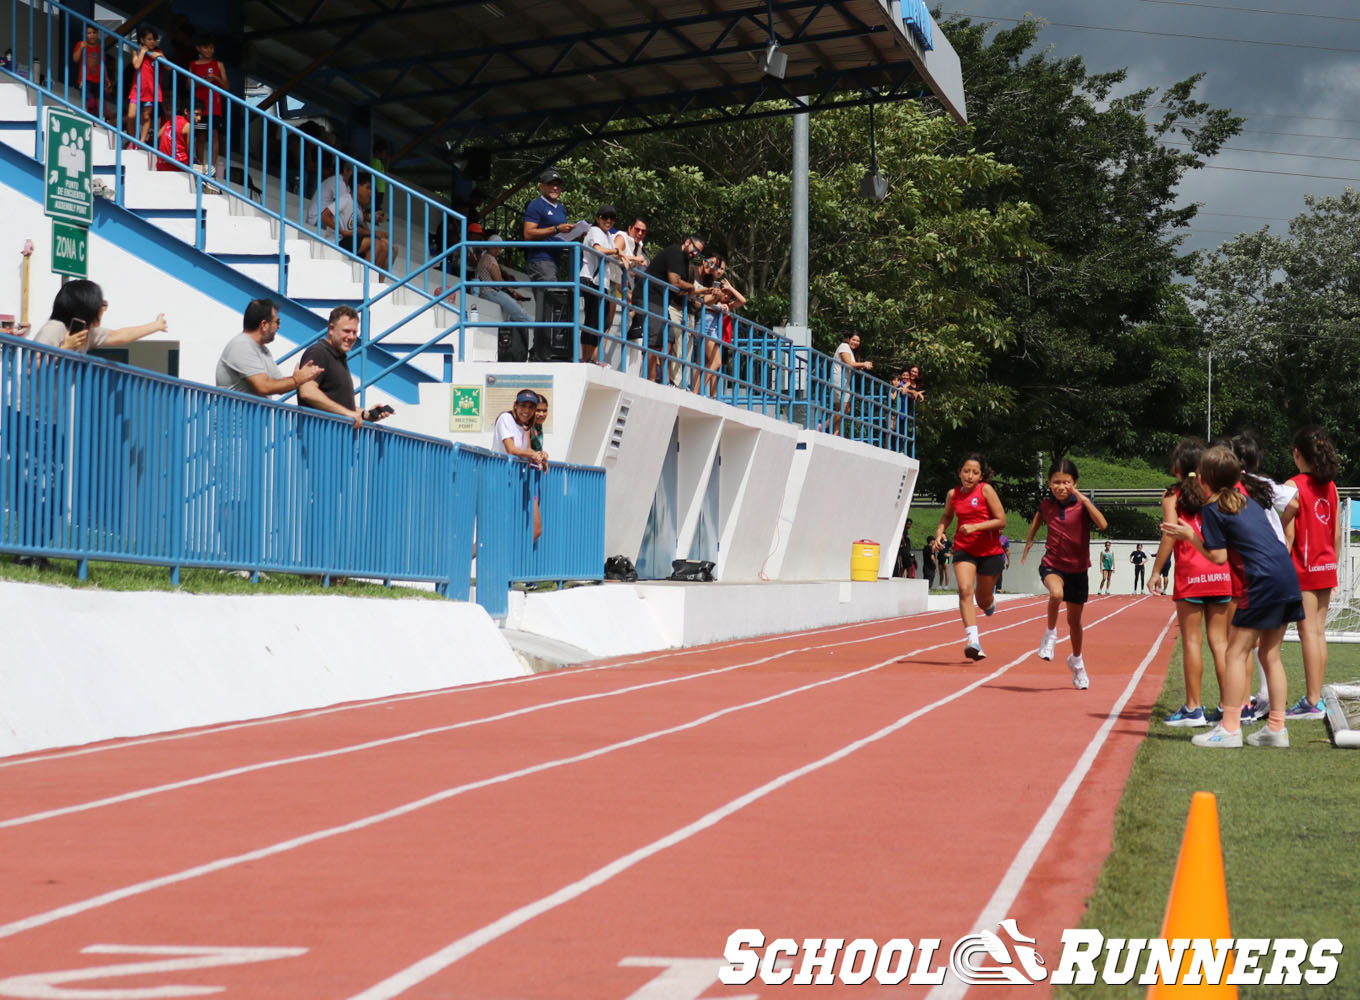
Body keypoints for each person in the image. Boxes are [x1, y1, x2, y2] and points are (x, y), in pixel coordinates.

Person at [1160, 445, 1302, 748]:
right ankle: (1277, 728)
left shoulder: (1213, 509)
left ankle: (1230, 728)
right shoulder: (1247, 500)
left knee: (1234, 654)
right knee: (1270, 654)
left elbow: (1219, 557)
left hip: (1260, 582)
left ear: (1205, 480)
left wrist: (1190, 537)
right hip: (1286, 576)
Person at [1150, 438, 1232, 727]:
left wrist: (1157, 570)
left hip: (1191, 575)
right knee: (1221, 643)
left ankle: (1193, 708)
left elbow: (1170, 534)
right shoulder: (1218, 492)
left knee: (1192, 643)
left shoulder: (1172, 495)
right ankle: (1227, 707)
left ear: (1177, 467)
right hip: (1221, 573)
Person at [1020, 458, 1108, 689]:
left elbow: (1103, 525)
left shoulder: (1082, 505)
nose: (1061, 486)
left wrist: (1084, 499)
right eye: (1056, 482)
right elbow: (1038, 519)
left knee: (1075, 622)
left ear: (1075, 482)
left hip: (1078, 569)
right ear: (1049, 483)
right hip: (1053, 564)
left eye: (1066, 482)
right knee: (1056, 595)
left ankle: (1077, 662)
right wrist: (1029, 542)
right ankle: (1049, 636)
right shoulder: (1046, 505)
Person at [1279, 426, 1342, 721]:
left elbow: (1285, 531)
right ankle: (1314, 697)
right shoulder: (1331, 486)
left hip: (1303, 568)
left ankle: (1313, 700)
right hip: (1326, 566)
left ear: (1296, 454)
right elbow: (1338, 533)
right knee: (1318, 633)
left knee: (1308, 634)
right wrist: (1333, 568)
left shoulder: (1292, 485)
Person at [932, 453, 1007, 661]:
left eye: (975, 472)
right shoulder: (953, 494)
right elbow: (948, 515)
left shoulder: (986, 491)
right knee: (965, 590)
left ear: (981, 475)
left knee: (982, 600)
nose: (970, 476)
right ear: (959, 473)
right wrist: (940, 531)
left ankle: (989, 602)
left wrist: (976, 527)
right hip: (964, 549)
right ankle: (973, 641)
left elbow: (1001, 520)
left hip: (990, 552)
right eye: (966, 471)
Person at [296, 305, 395, 428]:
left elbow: (339, 405)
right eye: (347, 331)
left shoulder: (339, 357)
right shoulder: (318, 353)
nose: (351, 337)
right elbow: (307, 391)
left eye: (355, 332)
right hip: (320, 441)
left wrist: (366, 414)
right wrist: (347, 413)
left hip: (338, 441)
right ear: (331, 329)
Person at [215, 298, 322, 396]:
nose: (279, 327)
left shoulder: (262, 350)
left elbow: (279, 385)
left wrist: (303, 377)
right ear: (264, 325)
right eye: (277, 322)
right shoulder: (241, 345)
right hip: (235, 417)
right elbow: (264, 386)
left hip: (252, 417)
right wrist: (296, 380)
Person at [31, 280, 168, 354]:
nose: (103, 310)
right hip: (27, 405)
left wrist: (156, 325)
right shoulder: (54, 329)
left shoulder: (87, 333)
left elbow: (120, 336)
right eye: (101, 305)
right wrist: (65, 349)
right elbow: (33, 362)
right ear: (87, 307)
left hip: (54, 406)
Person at [522, 168, 574, 361]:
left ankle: (541, 349)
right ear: (541, 186)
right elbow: (528, 234)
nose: (555, 187)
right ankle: (539, 353)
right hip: (540, 260)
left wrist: (575, 233)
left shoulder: (560, 207)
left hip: (554, 261)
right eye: (551, 183)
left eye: (558, 184)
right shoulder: (536, 206)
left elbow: (559, 234)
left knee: (552, 306)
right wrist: (556, 228)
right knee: (548, 305)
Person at [643, 234, 706, 384]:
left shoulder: (684, 261)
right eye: (694, 248)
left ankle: (665, 382)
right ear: (687, 242)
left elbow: (680, 289)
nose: (695, 253)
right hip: (649, 296)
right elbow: (675, 282)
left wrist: (685, 288)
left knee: (669, 339)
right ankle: (651, 380)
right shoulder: (675, 253)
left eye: (698, 251)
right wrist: (690, 286)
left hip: (661, 300)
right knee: (654, 341)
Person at [493, 390, 547, 542]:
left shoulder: (524, 427)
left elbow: (527, 450)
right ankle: (452, 564)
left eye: (531, 407)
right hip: (501, 480)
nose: (527, 410)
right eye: (523, 405)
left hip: (520, 482)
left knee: (535, 531)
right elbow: (511, 449)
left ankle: (514, 562)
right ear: (516, 406)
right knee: (493, 533)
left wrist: (541, 456)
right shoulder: (506, 418)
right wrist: (532, 455)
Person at [475, 235, 533, 360]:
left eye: (500, 247)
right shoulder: (489, 259)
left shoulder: (485, 257)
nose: (498, 249)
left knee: (516, 310)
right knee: (519, 312)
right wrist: (512, 292)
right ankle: (540, 331)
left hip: (489, 291)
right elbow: (499, 282)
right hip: (491, 292)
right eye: (496, 247)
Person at [322, 175, 392, 274]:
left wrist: (377, 234)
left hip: (349, 240)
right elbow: (324, 215)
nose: (370, 192)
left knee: (389, 247)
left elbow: (360, 230)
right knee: (376, 243)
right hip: (337, 239)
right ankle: (364, 279)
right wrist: (342, 232)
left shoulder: (358, 208)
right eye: (368, 188)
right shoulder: (346, 199)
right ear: (358, 187)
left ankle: (378, 282)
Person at [579, 206, 622, 363]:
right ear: (598, 218)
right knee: (593, 319)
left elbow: (613, 254)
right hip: (591, 279)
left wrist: (629, 259)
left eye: (612, 218)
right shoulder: (595, 231)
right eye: (605, 217)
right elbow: (599, 249)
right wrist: (618, 252)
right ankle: (585, 358)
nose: (608, 221)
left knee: (601, 322)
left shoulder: (608, 236)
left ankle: (590, 358)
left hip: (601, 282)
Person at [188, 35, 228, 175]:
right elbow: (189, 85)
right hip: (199, 106)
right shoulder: (194, 64)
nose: (209, 50)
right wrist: (203, 81)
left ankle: (211, 166)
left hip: (214, 106)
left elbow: (226, 87)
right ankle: (200, 164)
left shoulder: (219, 64)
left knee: (214, 134)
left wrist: (216, 78)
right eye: (205, 47)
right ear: (198, 48)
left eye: (211, 47)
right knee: (200, 135)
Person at [125, 25, 164, 144]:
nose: (152, 42)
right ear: (142, 40)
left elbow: (168, 66)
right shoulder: (136, 50)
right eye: (149, 39)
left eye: (154, 39)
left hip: (151, 91)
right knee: (131, 115)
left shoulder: (158, 52)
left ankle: (141, 141)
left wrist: (161, 56)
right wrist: (142, 52)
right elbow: (136, 65)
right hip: (137, 90)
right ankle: (133, 140)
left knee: (147, 117)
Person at [831, 332, 873, 436]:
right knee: (845, 409)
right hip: (838, 380)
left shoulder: (850, 350)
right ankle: (823, 426)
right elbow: (849, 363)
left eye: (858, 341)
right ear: (848, 339)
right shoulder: (844, 346)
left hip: (844, 382)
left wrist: (861, 366)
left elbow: (852, 365)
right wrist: (863, 363)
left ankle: (835, 434)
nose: (856, 342)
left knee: (840, 409)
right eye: (854, 339)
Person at [72, 24, 111, 120]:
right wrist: (81, 47)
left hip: (98, 80)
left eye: (94, 33)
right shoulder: (81, 44)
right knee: (90, 100)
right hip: (85, 79)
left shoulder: (99, 47)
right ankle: (85, 116)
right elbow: (75, 59)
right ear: (85, 35)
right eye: (89, 33)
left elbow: (103, 63)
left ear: (97, 34)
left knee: (100, 101)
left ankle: (99, 118)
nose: (92, 35)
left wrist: (106, 78)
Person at [155, 98, 198, 172]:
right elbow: (189, 151)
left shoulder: (174, 119)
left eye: (200, 115)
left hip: (162, 162)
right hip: (178, 164)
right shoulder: (188, 126)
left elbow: (158, 135)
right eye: (196, 114)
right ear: (186, 111)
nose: (199, 118)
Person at [306, 161, 353, 228]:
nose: (355, 177)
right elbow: (345, 208)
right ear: (346, 171)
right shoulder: (339, 181)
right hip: (316, 220)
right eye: (353, 174)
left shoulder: (347, 185)